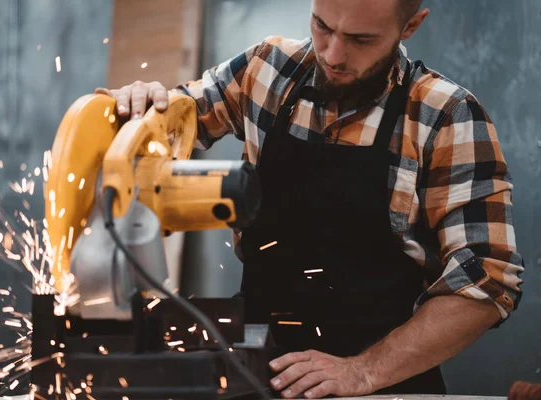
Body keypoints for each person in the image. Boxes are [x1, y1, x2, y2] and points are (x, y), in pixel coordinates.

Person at [96, 0, 524, 397]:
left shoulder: (445, 115)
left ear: (410, 25)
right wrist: (140, 108)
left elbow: (485, 282)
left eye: (360, 40)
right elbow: (176, 118)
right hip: (255, 372)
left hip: (385, 386)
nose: (333, 55)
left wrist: (363, 371)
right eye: (322, 25)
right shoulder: (267, 68)